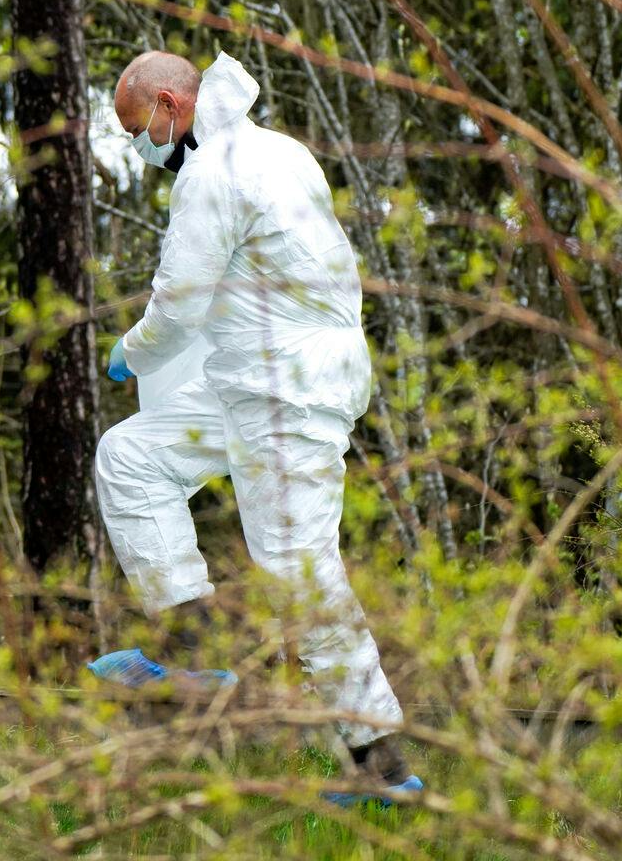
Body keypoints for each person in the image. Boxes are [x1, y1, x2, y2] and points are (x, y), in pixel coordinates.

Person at [89, 49, 421, 804]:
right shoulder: (281, 150)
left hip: (287, 394)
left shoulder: (213, 173)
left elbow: (178, 305)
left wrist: (129, 352)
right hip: (251, 375)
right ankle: (193, 648)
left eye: (136, 127)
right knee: (132, 455)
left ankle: (380, 762)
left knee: (300, 569)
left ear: (172, 104)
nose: (139, 145)